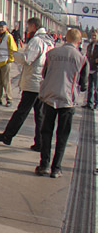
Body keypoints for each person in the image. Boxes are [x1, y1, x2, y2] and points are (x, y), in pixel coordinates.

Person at [0, 17, 53, 148]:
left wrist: (14, 54)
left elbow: (27, 59)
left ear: (34, 26)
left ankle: (8, 135)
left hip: (33, 82)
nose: (27, 29)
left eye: (28, 26)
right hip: (42, 81)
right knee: (40, 114)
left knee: (22, 111)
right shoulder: (48, 40)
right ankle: (40, 142)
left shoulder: (37, 41)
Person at [35, 29, 87, 178]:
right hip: (67, 101)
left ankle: (44, 164)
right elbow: (83, 84)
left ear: (65, 38)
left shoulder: (52, 54)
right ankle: (56, 168)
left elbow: (44, 73)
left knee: (46, 132)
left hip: (50, 97)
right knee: (62, 135)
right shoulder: (82, 58)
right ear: (79, 42)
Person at [0, 20, 17, 106]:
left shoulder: (8, 36)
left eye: (2, 27)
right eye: (0, 27)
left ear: (6, 28)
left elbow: (13, 49)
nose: (1, 28)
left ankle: (9, 99)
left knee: (6, 81)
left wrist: (10, 60)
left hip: (5, 61)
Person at [85, 30, 98, 110]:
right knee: (89, 87)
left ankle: (96, 104)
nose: (93, 37)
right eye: (92, 36)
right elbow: (87, 56)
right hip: (90, 68)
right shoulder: (89, 45)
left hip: (96, 70)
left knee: (96, 89)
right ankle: (89, 103)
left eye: (95, 36)